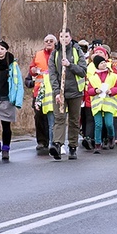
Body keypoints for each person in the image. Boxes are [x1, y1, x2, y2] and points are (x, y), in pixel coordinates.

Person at [48, 28, 88, 160]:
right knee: (59, 118)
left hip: (75, 92)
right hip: (61, 92)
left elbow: (83, 71)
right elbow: (52, 74)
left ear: (70, 37)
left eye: (66, 36)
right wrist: (57, 92)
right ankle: (57, 144)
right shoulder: (55, 54)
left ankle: (72, 146)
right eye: (61, 36)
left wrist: (70, 65)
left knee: (74, 120)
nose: (63, 38)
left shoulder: (77, 51)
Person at [86, 55, 117, 153]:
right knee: (98, 124)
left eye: (104, 62)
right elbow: (89, 90)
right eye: (101, 63)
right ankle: (98, 144)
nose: (104, 64)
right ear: (97, 65)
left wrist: (111, 91)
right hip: (97, 105)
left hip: (108, 104)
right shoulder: (92, 77)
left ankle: (111, 137)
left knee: (109, 124)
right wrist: (95, 90)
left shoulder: (113, 75)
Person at [29, 34, 56, 153]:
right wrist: (33, 71)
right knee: (39, 116)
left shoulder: (59, 54)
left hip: (54, 90)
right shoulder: (38, 54)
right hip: (39, 91)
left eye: (51, 41)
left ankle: (54, 142)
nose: (48, 43)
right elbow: (31, 69)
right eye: (46, 41)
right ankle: (41, 141)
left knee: (53, 118)